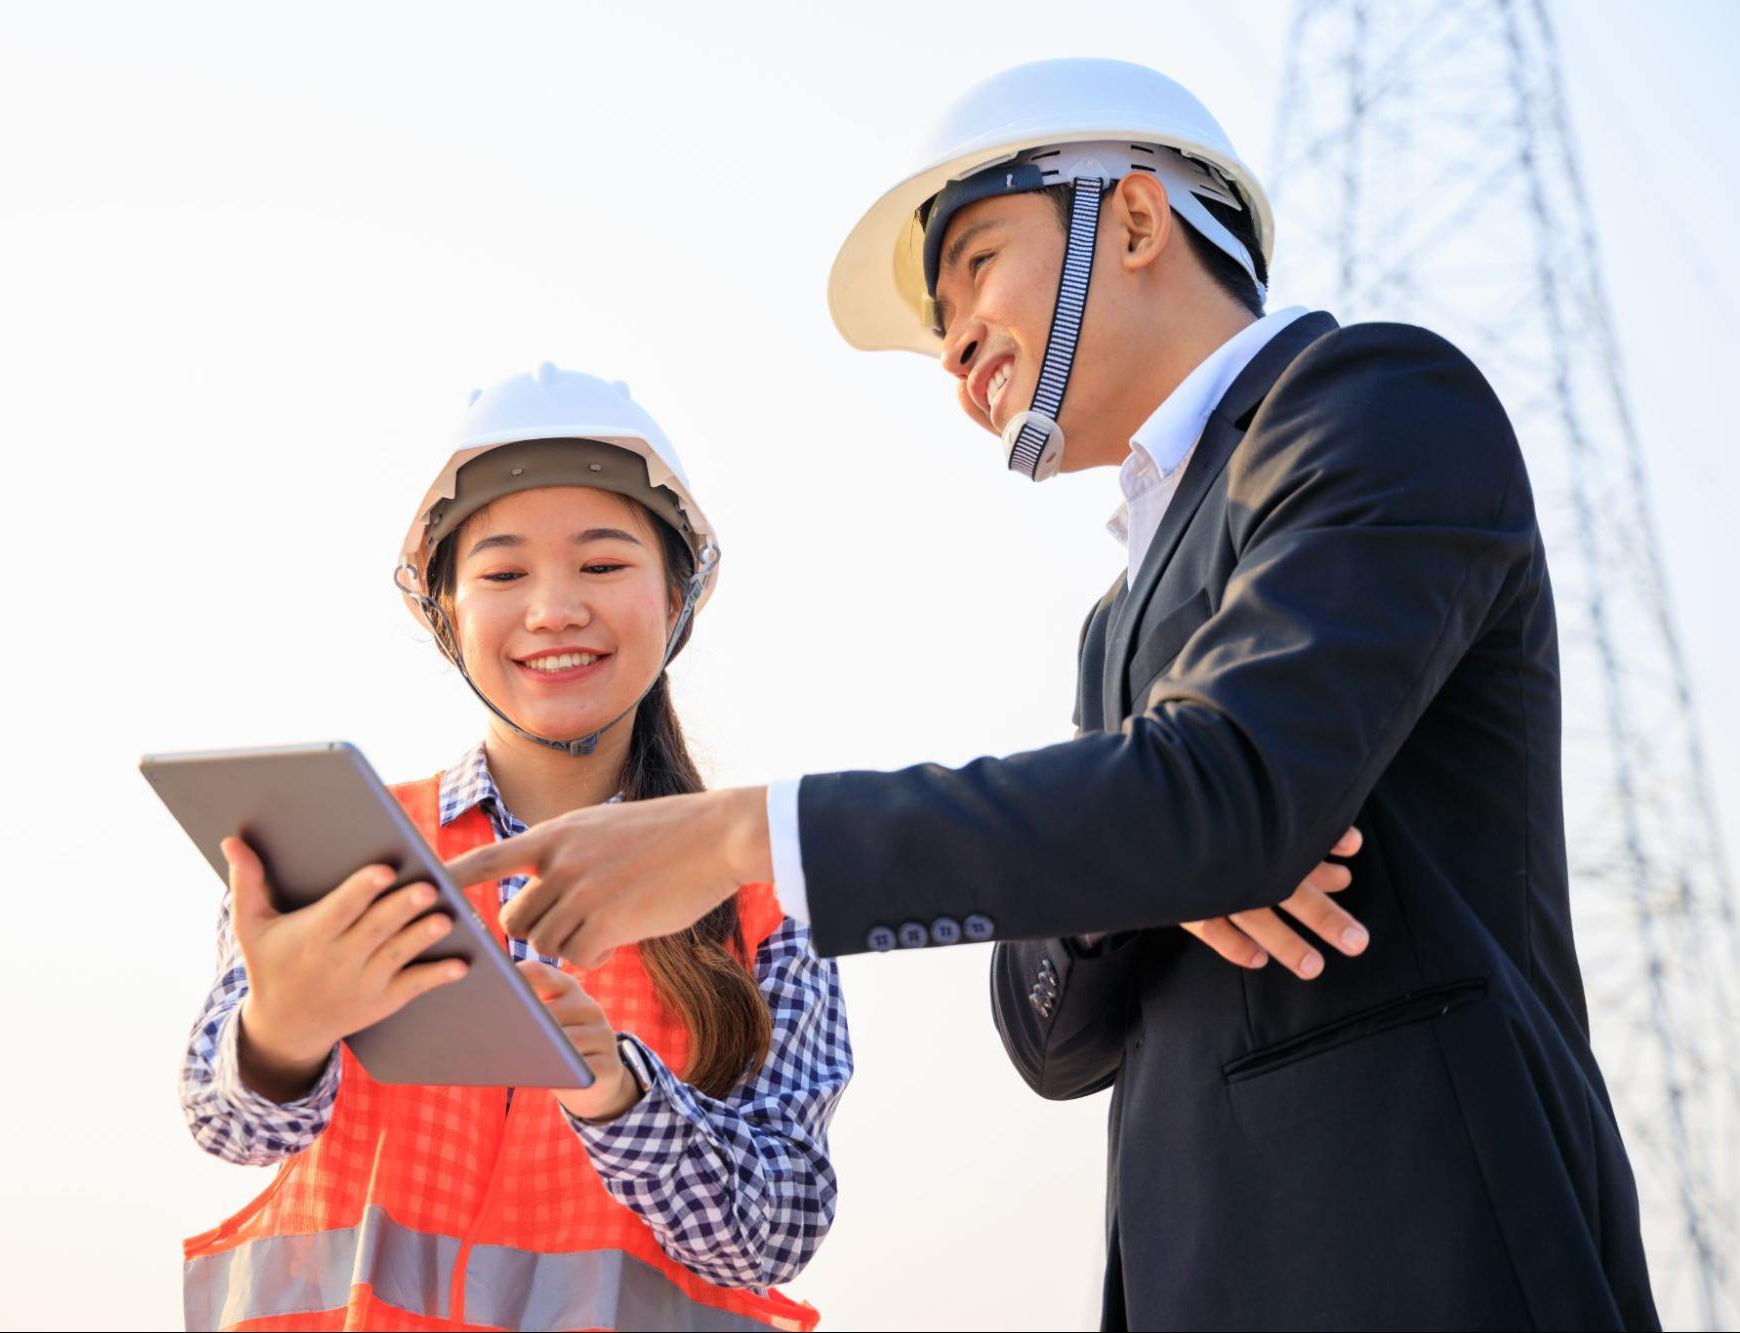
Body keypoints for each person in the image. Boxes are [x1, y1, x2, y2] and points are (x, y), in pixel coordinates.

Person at [445, 61, 1660, 1329]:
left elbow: (1232, 797)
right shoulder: (1113, 624)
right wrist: (1140, 872)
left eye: (975, 260)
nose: (952, 334)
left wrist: (747, 832)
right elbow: (1054, 1038)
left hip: (1430, 1256)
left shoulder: (1373, 403)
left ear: (1134, 219)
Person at [176, 364, 850, 1332]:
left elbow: (775, 1229)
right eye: (500, 573)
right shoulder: (341, 846)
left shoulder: (765, 898)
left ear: (677, 597)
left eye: (603, 564)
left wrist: (617, 1093)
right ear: (446, 612)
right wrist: (283, 1029)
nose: (552, 609)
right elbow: (227, 1124)